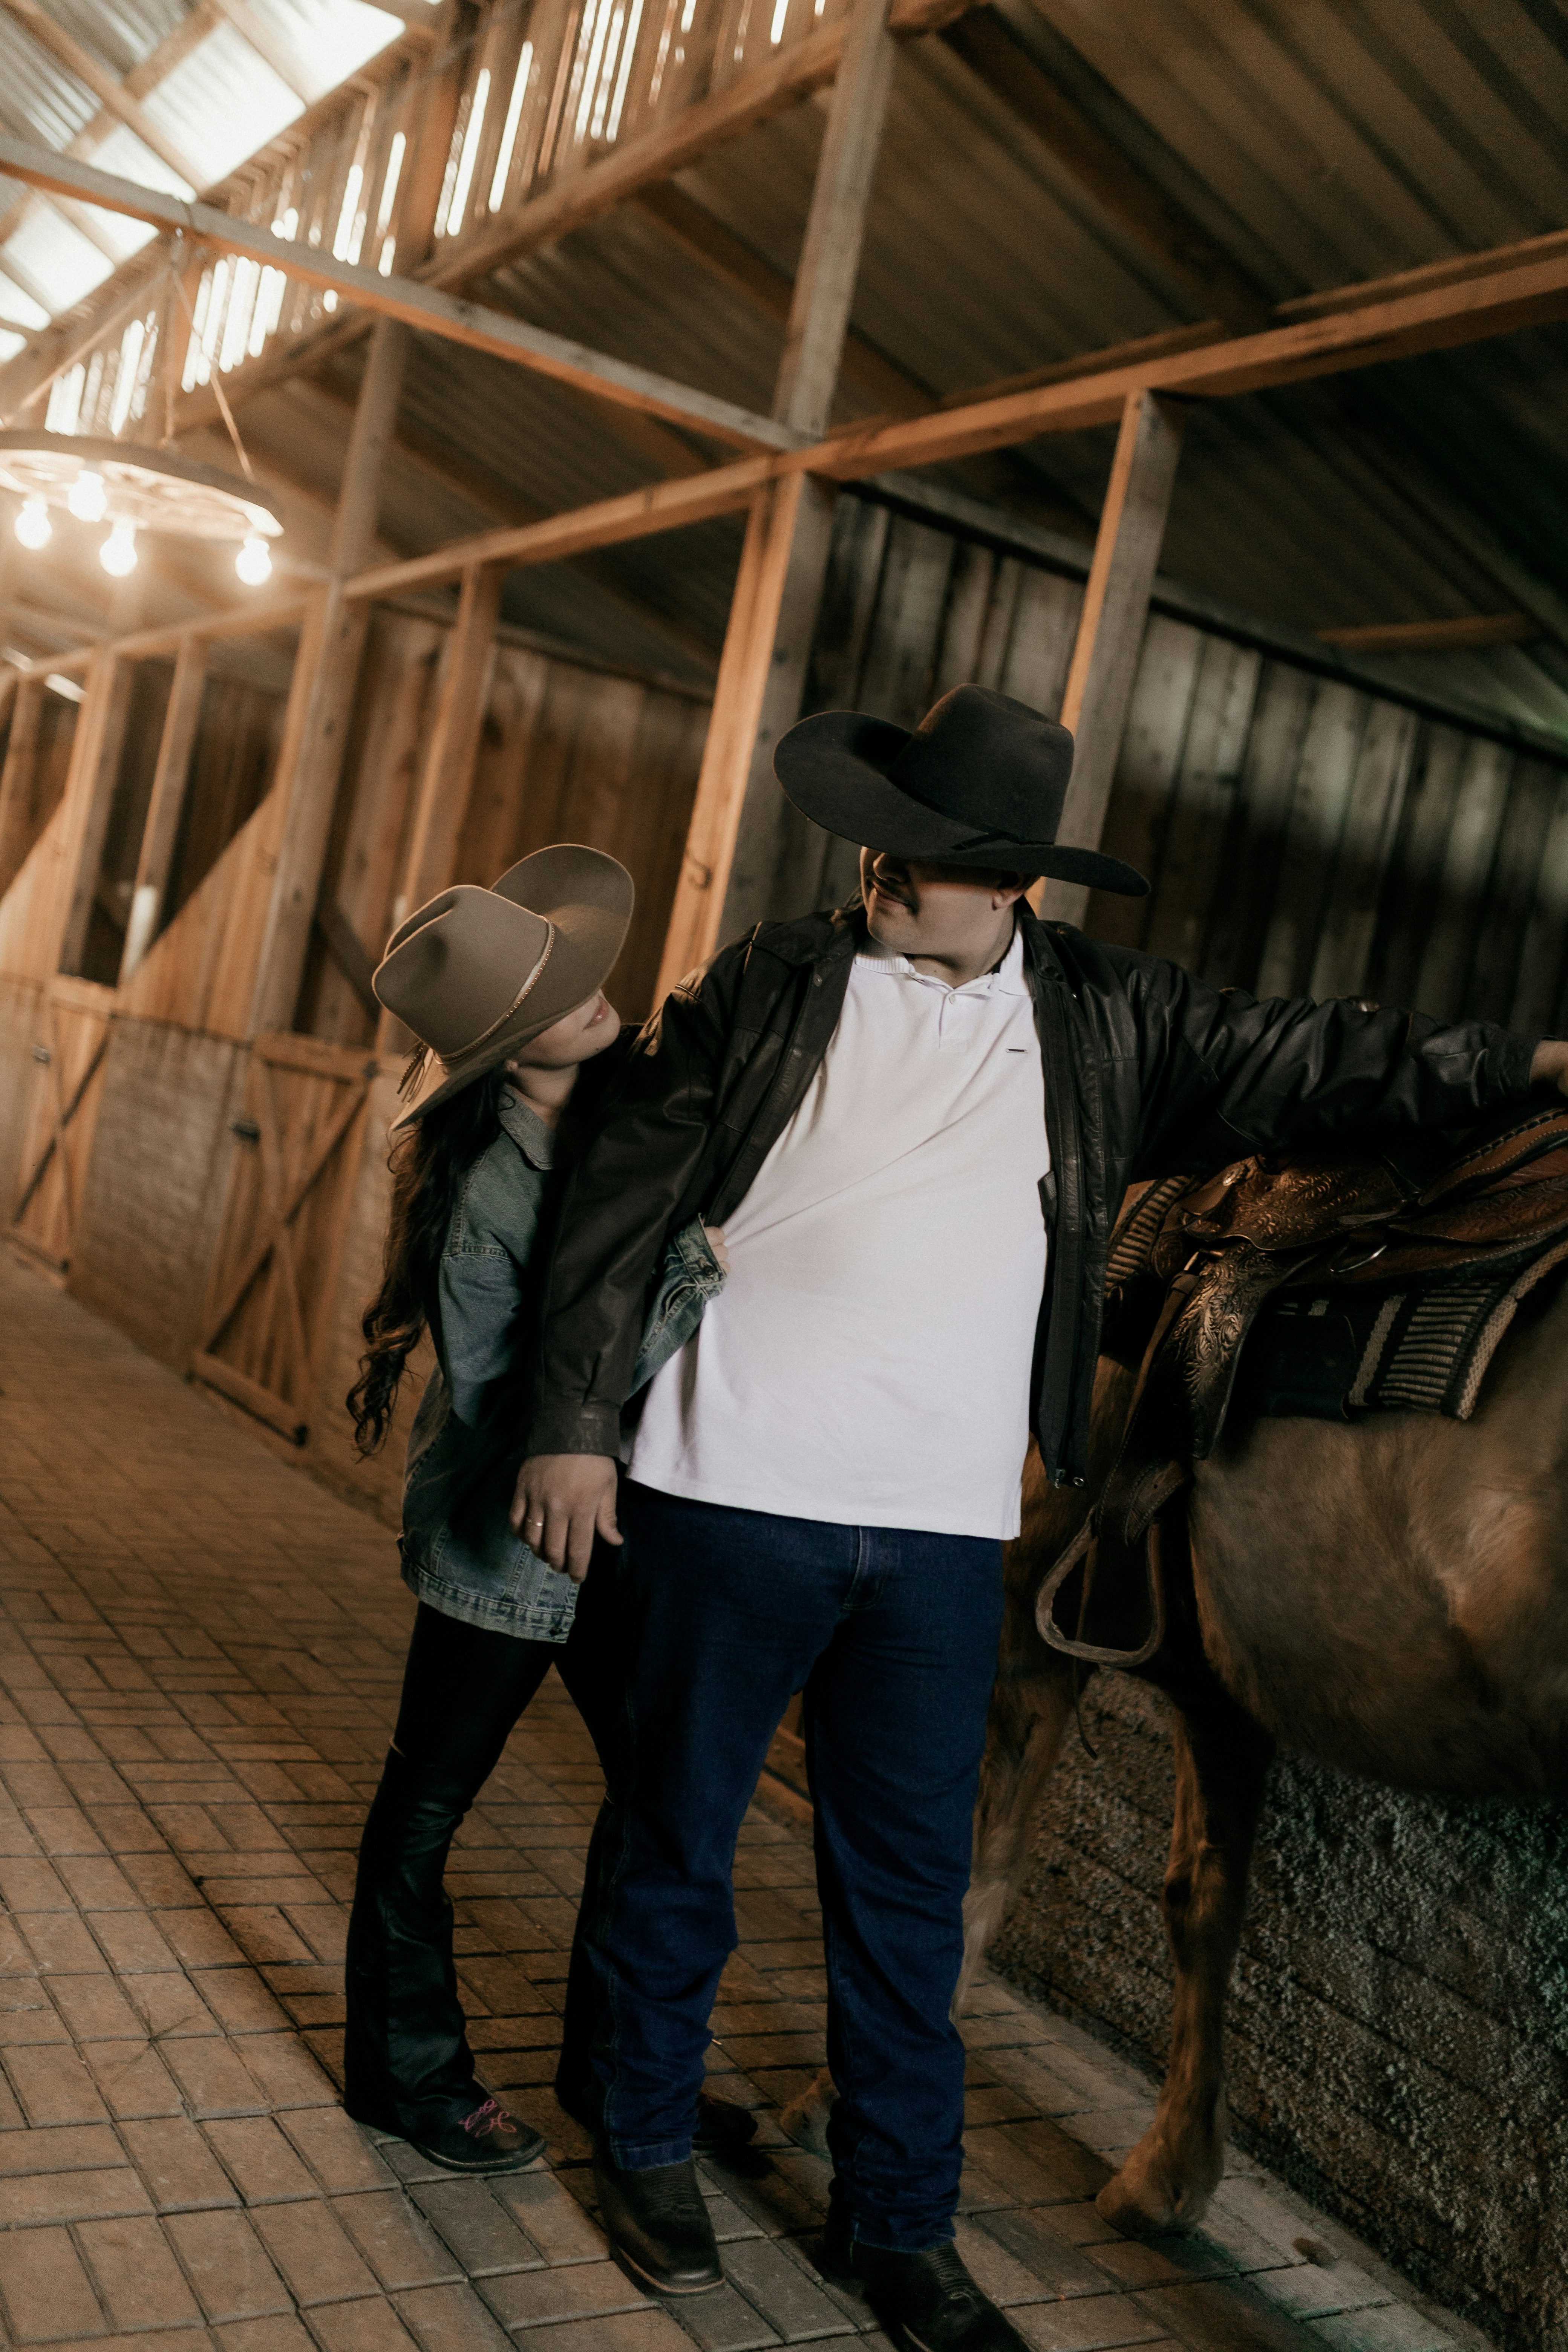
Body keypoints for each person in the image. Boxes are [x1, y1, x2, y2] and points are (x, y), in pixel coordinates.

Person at [511, 687, 1568, 2335]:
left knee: (907, 1892)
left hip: (938, 1532)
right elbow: (620, 1200)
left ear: (1016, 885)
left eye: (958, 861)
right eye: (910, 846)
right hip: (724, 1490)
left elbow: (1324, 1058)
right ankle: (640, 2135)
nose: (916, 874)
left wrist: (1535, 1062)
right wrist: (573, 1429)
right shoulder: (770, 986)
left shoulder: (1102, 1016)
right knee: (676, 1843)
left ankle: (897, 2226)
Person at [341, 843, 715, 2177]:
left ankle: (620, 2072)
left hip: (625, 1535)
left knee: (662, 1797)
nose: (593, 991)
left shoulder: (646, 1110)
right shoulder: (488, 1193)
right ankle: (404, 2073)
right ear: (504, 1049)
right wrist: (695, 1284)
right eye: (554, 991)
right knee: (427, 1808)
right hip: (504, 1542)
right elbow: (511, 1391)